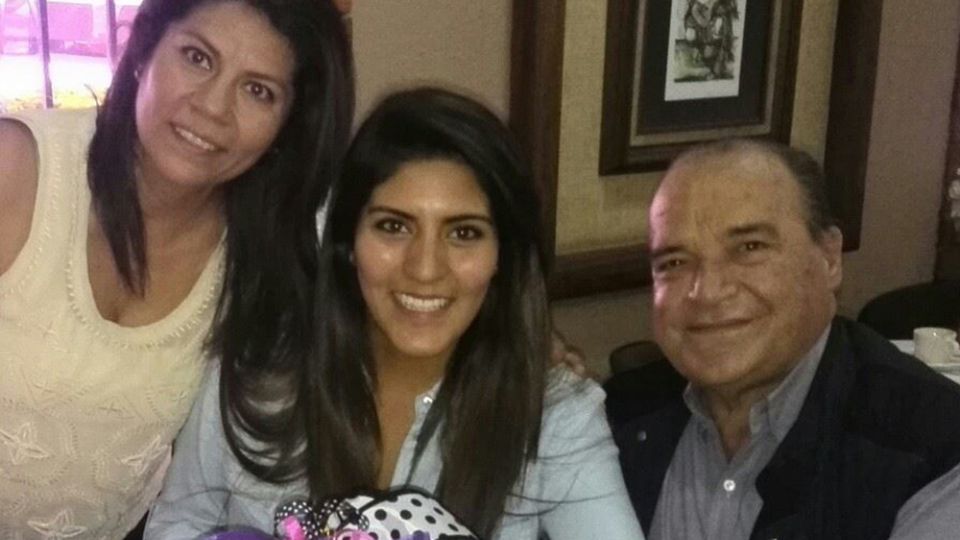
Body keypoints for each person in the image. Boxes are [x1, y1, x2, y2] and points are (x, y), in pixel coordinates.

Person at [144, 88, 645, 540]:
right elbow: (179, 522)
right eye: (393, 227)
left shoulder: (555, 417)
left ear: (503, 256)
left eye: (464, 233)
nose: (425, 269)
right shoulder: (256, 372)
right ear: (348, 242)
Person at [0, 0, 352, 536]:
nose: (212, 107)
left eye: (258, 90)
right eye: (197, 57)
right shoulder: (16, 168)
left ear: (287, 127)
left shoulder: (266, 254)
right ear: (144, 49)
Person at [614, 138, 960, 539]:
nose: (706, 292)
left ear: (829, 258)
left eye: (749, 247)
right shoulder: (619, 418)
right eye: (674, 262)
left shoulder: (933, 446)